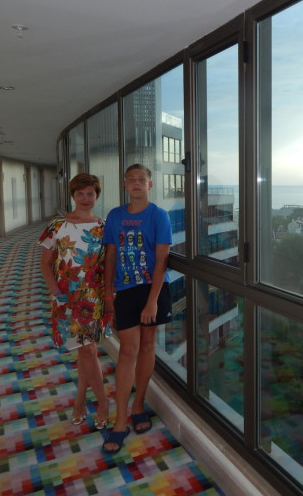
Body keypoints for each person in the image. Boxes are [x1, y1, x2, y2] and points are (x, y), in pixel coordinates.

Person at [101, 163, 173, 453]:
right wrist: (107, 291)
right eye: (131, 179)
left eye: (141, 179)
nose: (136, 183)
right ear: (125, 185)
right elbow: (110, 255)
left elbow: (162, 259)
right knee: (127, 350)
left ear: (149, 185)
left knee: (147, 346)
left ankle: (139, 404)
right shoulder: (115, 216)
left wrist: (153, 300)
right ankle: (120, 420)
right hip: (125, 290)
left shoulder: (159, 216)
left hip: (152, 288)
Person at [38, 173, 111, 430]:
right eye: (80, 193)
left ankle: (92, 402)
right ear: (73, 195)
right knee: (85, 350)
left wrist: (109, 295)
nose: (85, 198)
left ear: (97, 196)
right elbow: (45, 263)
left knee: (86, 350)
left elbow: (108, 265)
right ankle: (93, 401)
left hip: (93, 298)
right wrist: (56, 292)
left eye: (90, 193)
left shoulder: (103, 226)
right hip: (66, 297)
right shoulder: (57, 225)